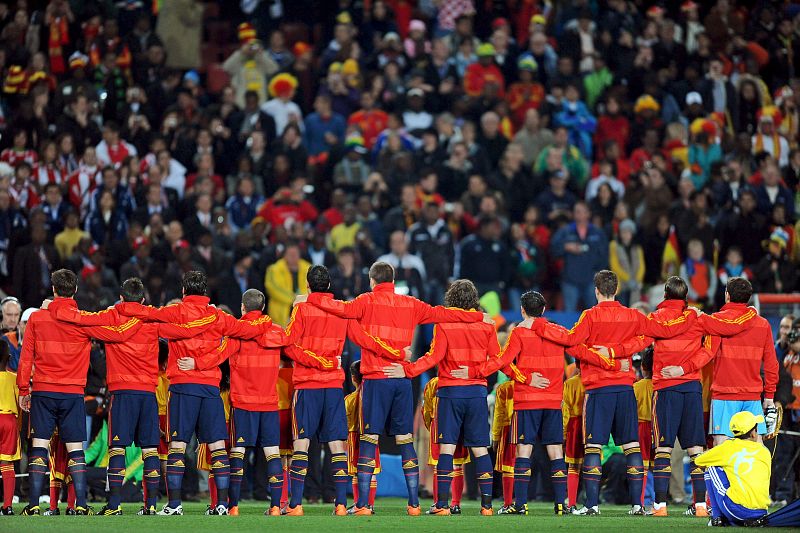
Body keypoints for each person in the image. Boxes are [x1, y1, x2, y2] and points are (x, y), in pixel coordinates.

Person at [296, 261, 492, 515]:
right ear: (394, 279)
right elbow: (443, 313)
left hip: (376, 380)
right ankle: (413, 505)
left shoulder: (365, 301)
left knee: (369, 439)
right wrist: (477, 316)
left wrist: (309, 299)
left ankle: (364, 504)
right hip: (401, 379)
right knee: (405, 440)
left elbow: (339, 309)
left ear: (371, 280)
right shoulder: (411, 303)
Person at [108, 271, 280, 515]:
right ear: (205, 290)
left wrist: (121, 307)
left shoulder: (175, 312)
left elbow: (146, 313)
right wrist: (264, 320)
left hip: (183, 387)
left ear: (183, 291)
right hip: (210, 388)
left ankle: (175, 504)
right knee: (218, 446)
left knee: (177, 445)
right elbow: (246, 329)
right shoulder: (217, 316)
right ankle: (221, 505)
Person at [531, 270, 696, 516]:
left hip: (598, 389)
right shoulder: (632, 315)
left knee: (593, 447)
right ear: (617, 290)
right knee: (631, 446)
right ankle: (638, 505)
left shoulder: (589, 316)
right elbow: (658, 333)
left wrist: (542, 326)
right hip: (625, 388)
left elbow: (571, 341)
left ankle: (592, 505)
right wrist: (690, 316)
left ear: (596, 291)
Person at [466, 290, 625, 515]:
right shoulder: (558, 332)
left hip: (526, 401)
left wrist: (481, 372)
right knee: (555, 452)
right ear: (543, 310)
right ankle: (561, 504)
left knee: (524, 451)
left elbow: (502, 362)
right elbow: (583, 352)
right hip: (553, 402)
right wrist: (613, 364)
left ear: (522, 310)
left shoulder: (518, 333)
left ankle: (520, 505)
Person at [15, 269, 140, 515]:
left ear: (53, 290)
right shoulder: (83, 320)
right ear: (75, 290)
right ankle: (80, 505)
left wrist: (22, 389)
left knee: (39, 445)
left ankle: (33, 506)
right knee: (75, 449)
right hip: (73, 394)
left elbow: (25, 358)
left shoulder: (38, 319)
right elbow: (116, 328)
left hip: (43, 390)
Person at [282, 266, 403, 516]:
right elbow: (365, 340)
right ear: (328, 286)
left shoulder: (302, 309)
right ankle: (339, 504)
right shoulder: (341, 311)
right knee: (337, 445)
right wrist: (397, 354)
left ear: (308, 286)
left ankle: (295, 504)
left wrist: (316, 361)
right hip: (333, 387)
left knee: (302, 444)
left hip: (307, 386)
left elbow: (288, 346)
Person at [382, 280, 501, 516]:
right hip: (476, 392)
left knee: (446, 448)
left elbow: (433, 357)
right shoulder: (487, 326)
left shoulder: (444, 325)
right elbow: (497, 360)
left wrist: (407, 370)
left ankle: (442, 505)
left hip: (450, 393)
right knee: (480, 448)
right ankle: (487, 506)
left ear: (451, 299)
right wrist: (475, 372)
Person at [695, 411, 771, 527]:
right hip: (763, 512)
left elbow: (698, 461)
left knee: (711, 466)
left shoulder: (728, 447)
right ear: (753, 434)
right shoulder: (765, 451)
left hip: (737, 510)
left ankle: (717, 518)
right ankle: (736, 521)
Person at [420, 376, 467, 514]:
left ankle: (439, 503)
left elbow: (427, 408)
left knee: (438, 464)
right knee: (457, 465)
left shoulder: (434, 383)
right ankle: (455, 504)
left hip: (440, 423)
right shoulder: (464, 380)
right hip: (460, 425)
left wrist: (430, 424)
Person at [551, 202, 609, 312]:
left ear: (588, 214)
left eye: (581, 211)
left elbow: (604, 255)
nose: (578, 214)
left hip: (591, 280)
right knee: (569, 313)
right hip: (570, 280)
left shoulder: (598, 233)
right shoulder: (565, 231)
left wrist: (598, 272)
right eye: (576, 211)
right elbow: (553, 249)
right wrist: (565, 247)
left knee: (592, 313)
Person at [633, 349, 654, 514]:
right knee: (661, 464)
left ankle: (639, 503)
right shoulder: (662, 386)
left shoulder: (637, 387)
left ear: (643, 368)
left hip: (641, 427)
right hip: (659, 427)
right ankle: (659, 503)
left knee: (642, 466)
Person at [562, 363, 585, 511]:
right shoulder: (595, 380)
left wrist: (564, 432)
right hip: (592, 423)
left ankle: (571, 504)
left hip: (574, 425)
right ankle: (592, 504)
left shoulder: (570, 383)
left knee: (573, 466)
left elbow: (566, 409)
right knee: (591, 465)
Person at [0, 342, 18, 515]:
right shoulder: (14, 378)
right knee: (7, 464)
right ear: (9, 358)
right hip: (9, 421)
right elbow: (22, 405)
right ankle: (7, 506)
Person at [492, 380, 515, 513]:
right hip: (529, 426)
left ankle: (508, 503)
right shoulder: (531, 386)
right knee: (523, 464)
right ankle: (522, 503)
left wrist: (495, 437)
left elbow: (499, 414)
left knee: (508, 467)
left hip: (509, 427)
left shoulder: (504, 388)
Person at [1, 296, 22, 371]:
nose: (13, 319)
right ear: (1, 314)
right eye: (9, 315)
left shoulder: (25, 335)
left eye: (16, 315)